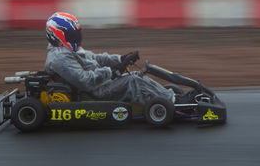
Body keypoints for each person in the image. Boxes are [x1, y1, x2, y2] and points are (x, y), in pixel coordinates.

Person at [44, 12, 174, 104]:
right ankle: (171, 101)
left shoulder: (67, 49)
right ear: (58, 36)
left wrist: (120, 59)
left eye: (77, 33)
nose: (77, 37)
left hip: (100, 83)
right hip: (94, 93)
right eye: (73, 34)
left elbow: (95, 58)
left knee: (137, 75)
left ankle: (168, 96)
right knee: (133, 80)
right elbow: (84, 81)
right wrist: (111, 72)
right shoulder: (59, 58)